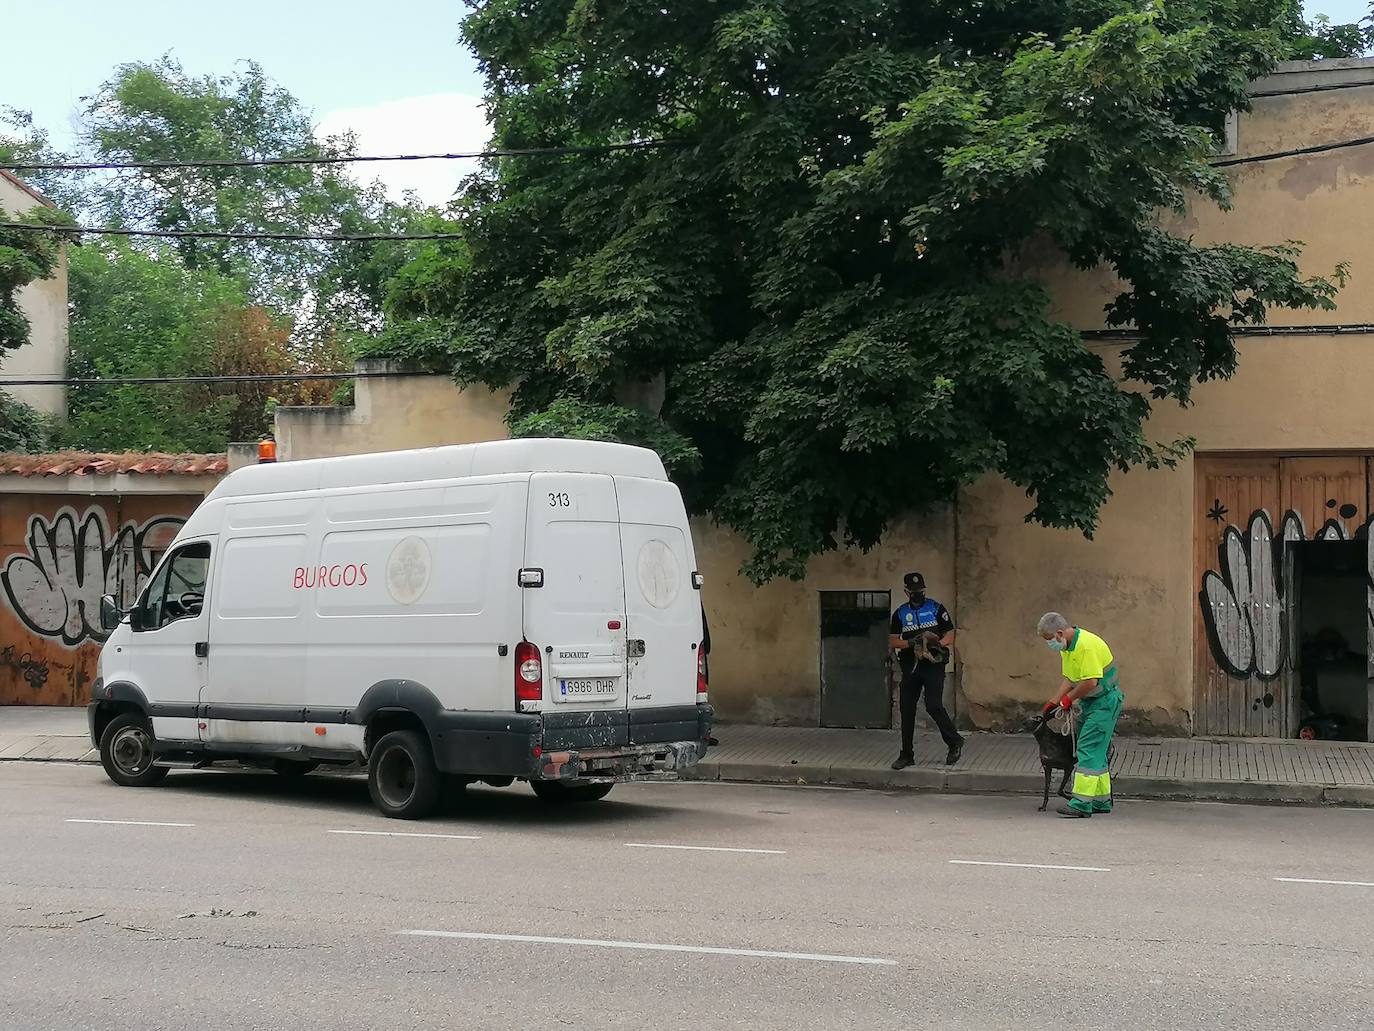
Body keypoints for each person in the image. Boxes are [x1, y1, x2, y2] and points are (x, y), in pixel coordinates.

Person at [1037, 612, 1123, 818]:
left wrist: (1068, 699)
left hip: (1104, 702)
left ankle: (1081, 803)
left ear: (1059, 633)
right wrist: (1054, 701)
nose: (1050, 645)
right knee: (1098, 751)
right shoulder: (1068, 647)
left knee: (1088, 748)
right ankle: (1101, 801)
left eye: (1049, 640)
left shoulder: (1086, 646)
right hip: (1091, 702)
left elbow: (1091, 681)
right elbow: (1070, 678)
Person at [889, 572, 963, 769]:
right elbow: (893, 640)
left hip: (933, 664)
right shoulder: (900, 613)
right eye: (913, 592)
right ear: (906, 591)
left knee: (933, 705)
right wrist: (910, 643)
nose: (917, 594)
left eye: (920, 591)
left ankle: (954, 741)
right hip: (911, 665)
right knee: (906, 708)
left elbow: (951, 634)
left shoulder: (936, 608)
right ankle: (906, 755)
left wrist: (937, 643)